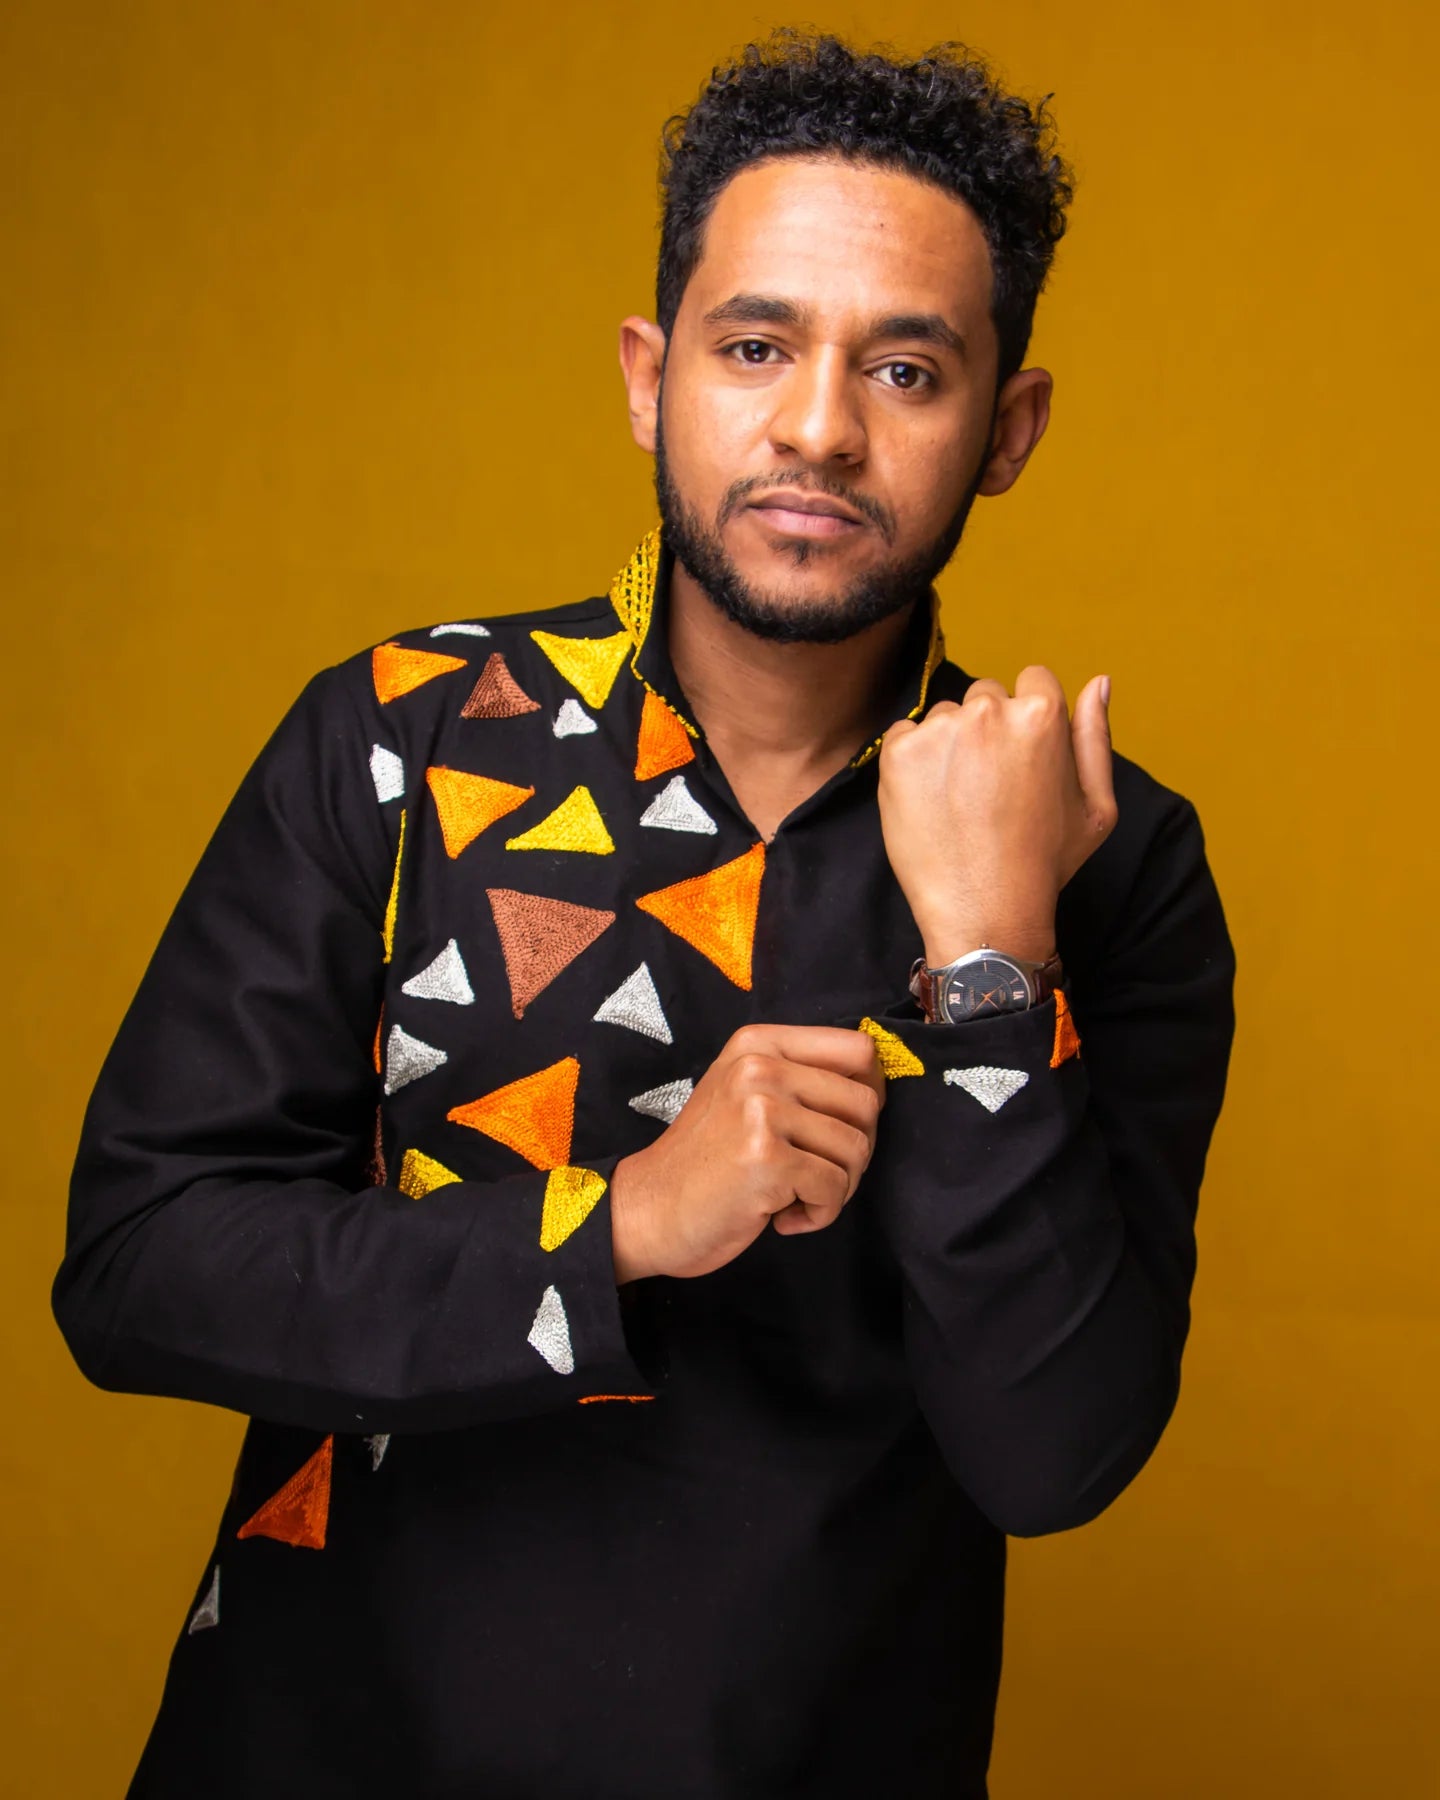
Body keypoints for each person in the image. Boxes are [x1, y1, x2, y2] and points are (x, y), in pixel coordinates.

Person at [54, 29, 1235, 1800]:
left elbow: (1053, 1456)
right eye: (755, 346)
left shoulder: (1097, 851)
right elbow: (136, 1270)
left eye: (907, 371)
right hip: (318, 1746)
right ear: (647, 375)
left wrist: (993, 964)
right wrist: (617, 1225)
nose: (818, 427)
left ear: (1009, 429)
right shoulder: (399, 736)